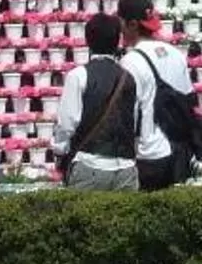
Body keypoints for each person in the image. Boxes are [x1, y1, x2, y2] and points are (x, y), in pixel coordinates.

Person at [49, 12, 143, 191]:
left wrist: (60, 153)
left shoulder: (78, 76)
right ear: (117, 41)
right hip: (125, 167)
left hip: (88, 164)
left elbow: (67, 124)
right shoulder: (129, 78)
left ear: (88, 40)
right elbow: (136, 122)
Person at [120, 0, 199, 191]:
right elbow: (189, 99)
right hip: (178, 150)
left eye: (121, 22)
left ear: (132, 24)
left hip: (148, 154)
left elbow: (129, 113)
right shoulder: (175, 53)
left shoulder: (131, 61)